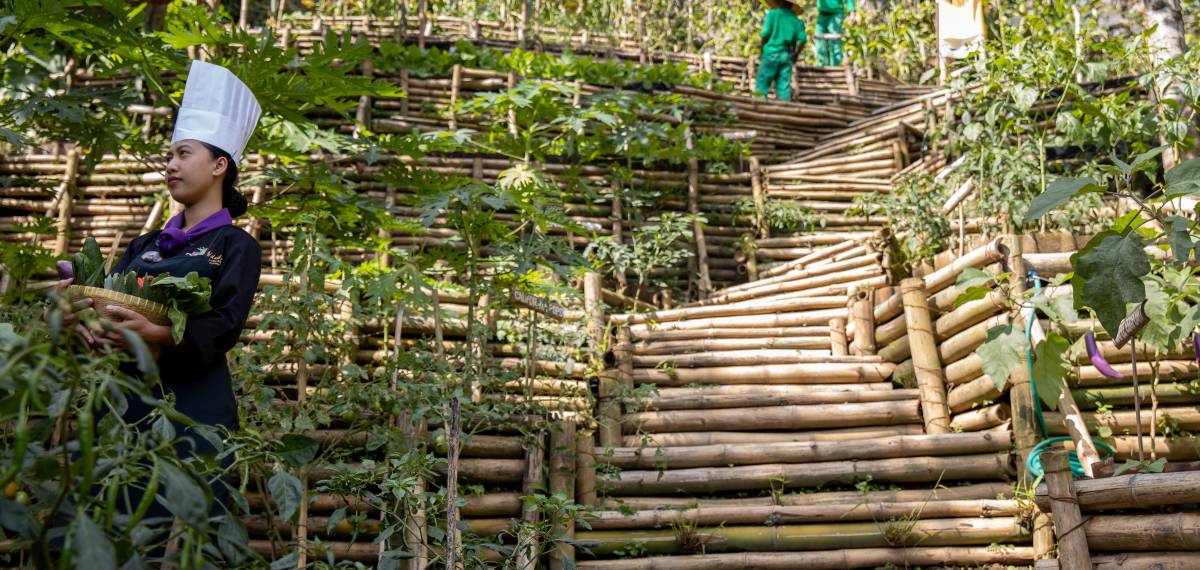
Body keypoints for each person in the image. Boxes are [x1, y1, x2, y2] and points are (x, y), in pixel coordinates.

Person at [57, 60, 263, 507]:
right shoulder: (144, 244)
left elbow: (226, 325)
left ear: (218, 165)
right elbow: (107, 307)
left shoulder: (235, 245)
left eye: (183, 153)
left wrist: (157, 332)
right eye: (169, 155)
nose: (170, 164)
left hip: (195, 405)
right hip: (124, 400)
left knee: (188, 526)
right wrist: (83, 319)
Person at [755, 0, 807, 102]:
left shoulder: (773, 14)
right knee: (783, 87)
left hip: (770, 54)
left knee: (762, 84)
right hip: (786, 56)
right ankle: (784, 113)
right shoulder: (795, 20)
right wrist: (795, 55)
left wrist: (761, 51)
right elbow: (803, 40)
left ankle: (758, 108)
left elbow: (765, 35)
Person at [816, 0, 856, 67]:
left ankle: (835, 66)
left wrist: (852, 13)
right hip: (822, 13)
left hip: (836, 13)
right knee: (819, 40)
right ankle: (821, 66)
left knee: (834, 40)